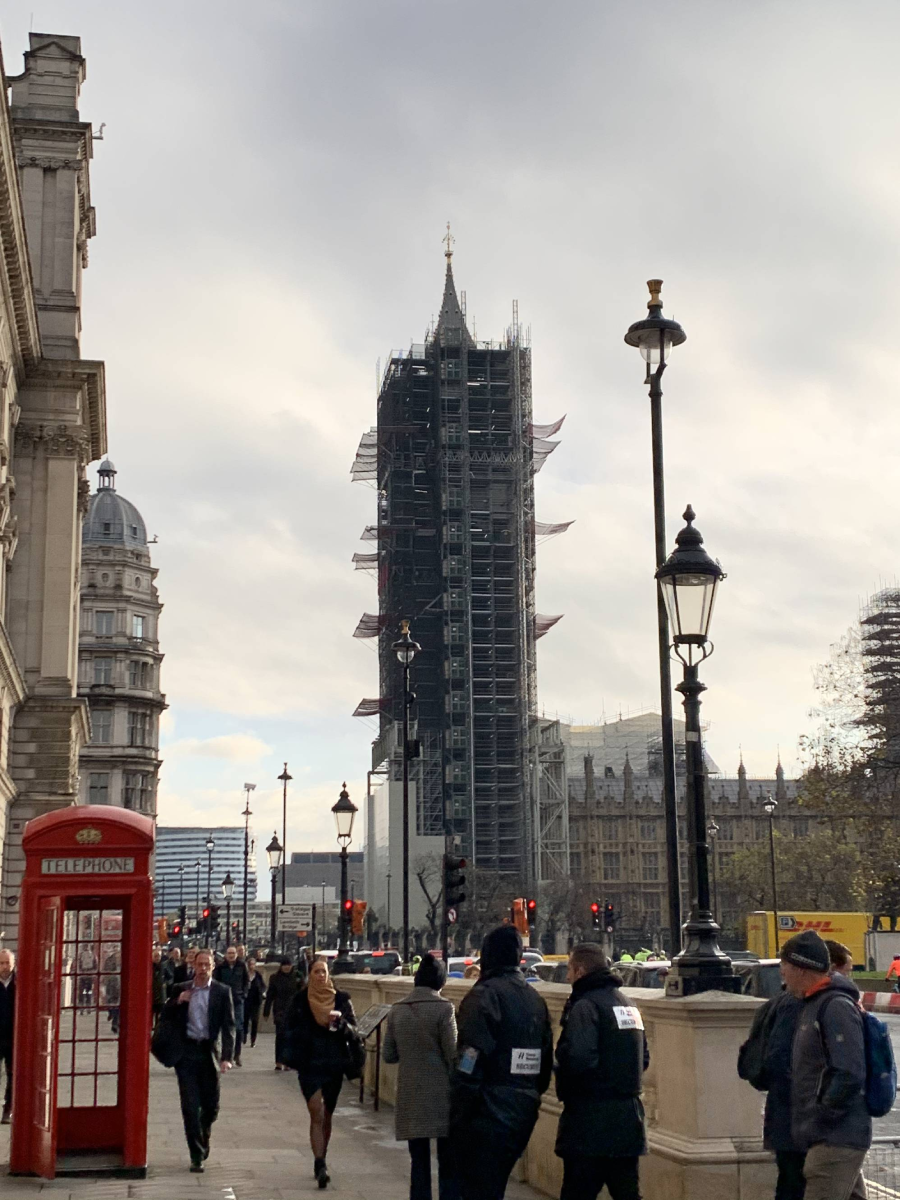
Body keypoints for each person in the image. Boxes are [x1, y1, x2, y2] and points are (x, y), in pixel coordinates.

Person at [451, 925, 553, 1200]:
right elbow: (545, 1063)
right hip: (524, 1107)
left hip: (488, 1110)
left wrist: (460, 1111)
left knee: (478, 1188)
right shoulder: (535, 1000)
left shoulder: (484, 996)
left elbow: (470, 1058)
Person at [554, 943, 649, 1200]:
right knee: (627, 1192)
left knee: (577, 1191)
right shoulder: (628, 1004)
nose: (567, 977)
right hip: (629, 1120)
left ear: (581, 971)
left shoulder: (585, 1006)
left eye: (570, 970)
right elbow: (644, 1058)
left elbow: (578, 1059)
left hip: (590, 1124)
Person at [781, 930, 870, 1200]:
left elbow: (849, 1072)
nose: (781, 974)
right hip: (831, 1135)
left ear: (801, 969)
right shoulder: (814, 1004)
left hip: (834, 1138)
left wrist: (818, 1118)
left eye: (784, 967)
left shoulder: (834, 1007)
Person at [383, 955, 458, 1200]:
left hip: (410, 1094)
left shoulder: (397, 1010)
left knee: (419, 1161)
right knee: (447, 1161)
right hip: (441, 1095)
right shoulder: (444, 1008)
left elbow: (389, 1055)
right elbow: (453, 1054)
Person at [283, 956, 358, 1189]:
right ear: (310, 974)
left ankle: (322, 1156)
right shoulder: (299, 1000)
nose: (321, 976)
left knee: (327, 1115)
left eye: (324, 971)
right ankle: (319, 1163)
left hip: (334, 1063)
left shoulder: (342, 1000)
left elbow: (356, 1031)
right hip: (309, 1064)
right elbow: (287, 1029)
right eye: (316, 971)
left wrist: (342, 1026)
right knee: (316, 1110)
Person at [738, 960, 805, 1200]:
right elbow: (779, 1058)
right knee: (796, 1183)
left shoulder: (772, 1005)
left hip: (781, 1112)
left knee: (789, 1180)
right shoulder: (795, 1006)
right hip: (796, 1115)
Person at [164, 948, 235, 1173]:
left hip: (208, 1053)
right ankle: (196, 1155)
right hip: (186, 1054)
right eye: (199, 964)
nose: (203, 969)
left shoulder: (223, 992)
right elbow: (163, 1016)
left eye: (207, 964)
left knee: (211, 1106)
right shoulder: (180, 989)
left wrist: (226, 1058)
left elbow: (229, 1026)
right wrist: (177, 1002)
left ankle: (204, 1133)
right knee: (189, 1106)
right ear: (193, 965)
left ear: (213, 966)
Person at [213, 946, 250, 1066]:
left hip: (238, 1000)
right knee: (224, 1028)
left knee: (238, 1028)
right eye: (229, 953)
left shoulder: (242, 965)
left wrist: (244, 994)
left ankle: (236, 1055)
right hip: (223, 1000)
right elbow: (216, 982)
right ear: (225, 954)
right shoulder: (220, 967)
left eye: (233, 953)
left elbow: (246, 981)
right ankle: (225, 1055)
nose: (231, 955)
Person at [263, 956, 300, 1069]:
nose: (287, 968)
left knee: (290, 1037)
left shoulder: (297, 977)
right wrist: (266, 1011)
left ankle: (288, 1062)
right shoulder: (275, 978)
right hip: (280, 1010)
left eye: (288, 965)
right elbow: (270, 995)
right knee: (280, 1036)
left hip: (294, 1010)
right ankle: (279, 1061)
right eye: (284, 965)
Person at [0, 949, 15, 1124]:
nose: (4, 967)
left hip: (13, 1036)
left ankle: (7, 1110)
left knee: (12, 1075)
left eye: (7, 963)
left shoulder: (19, 983)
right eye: (2, 963)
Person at [244, 957, 266, 1049]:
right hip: (246, 1000)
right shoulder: (244, 975)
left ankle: (253, 1040)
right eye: (250, 964)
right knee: (245, 1020)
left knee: (255, 1021)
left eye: (253, 964)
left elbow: (263, 986)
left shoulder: (258, 975)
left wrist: (262, 992)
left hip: (256, 1001)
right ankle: (244, 1036)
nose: (251, 966)